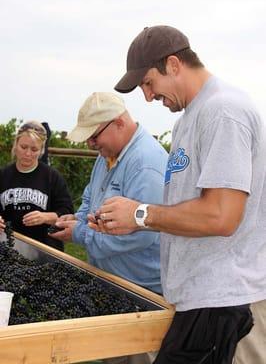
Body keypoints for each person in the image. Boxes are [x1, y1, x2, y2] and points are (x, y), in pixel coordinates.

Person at [90, 26, 266, 364]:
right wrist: (134, 222)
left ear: (173, 64)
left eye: (148, 83)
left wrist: (140, 214)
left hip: (231, 306)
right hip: (199, 301)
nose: (147, 97)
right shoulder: (189, 119)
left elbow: (221, 215)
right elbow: (189, 208)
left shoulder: (224, 111)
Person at [50, 92, 168, 364]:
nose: (91, 144)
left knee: (135, 358)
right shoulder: (107, 156)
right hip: (114, 283)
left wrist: (79, 233)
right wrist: (77, 219)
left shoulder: (146, 164)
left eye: (94, 136)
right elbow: (91, 197)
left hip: (141, 292)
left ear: (118, 123)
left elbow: (137, 237)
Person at [0, 120, 74, 251]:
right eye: (23, 147)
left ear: (41, 151)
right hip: (9, 249)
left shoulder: (52, 177)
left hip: (45, 250)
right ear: (15, 145)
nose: (28, 154)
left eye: (34, 149)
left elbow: (67, 212)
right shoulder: (3, 175)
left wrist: (46, 217)